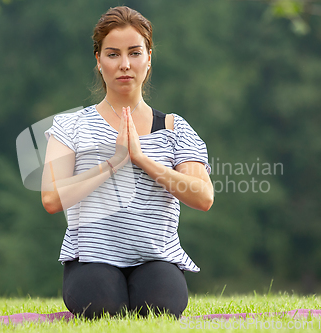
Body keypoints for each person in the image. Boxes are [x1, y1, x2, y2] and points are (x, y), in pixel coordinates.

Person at [41, 6, 213, 320]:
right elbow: (51, 198)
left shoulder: (175, 128)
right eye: (113, 54)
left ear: (149, 58)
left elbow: (203, 197)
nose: (124, 65)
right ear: (98, 59)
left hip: (155, 259)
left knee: (158, 309)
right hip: (92, 259)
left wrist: (142, 159)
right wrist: (113, 163)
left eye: (134, 53)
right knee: (103, 308)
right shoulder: (70, 127)